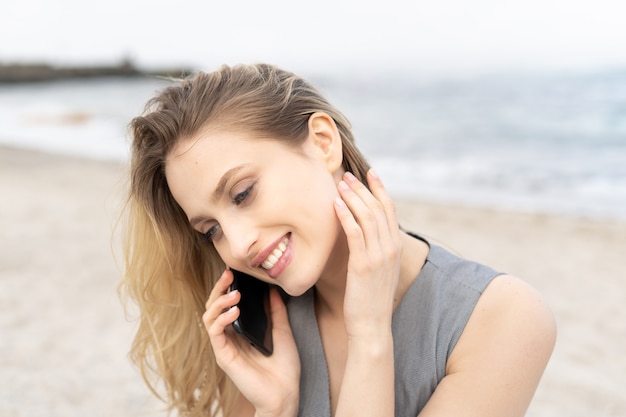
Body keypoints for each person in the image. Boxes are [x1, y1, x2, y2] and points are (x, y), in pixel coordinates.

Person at [120, 63, 556, 417]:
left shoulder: (501, 318)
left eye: (242, 193)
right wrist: (275, 410)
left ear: (324, 143)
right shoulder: (261, 327)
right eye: (211, 230)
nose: (236, 246)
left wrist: (369, 337)